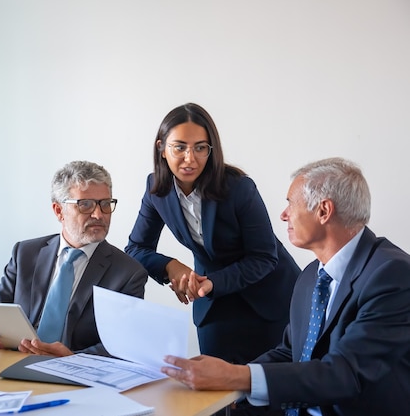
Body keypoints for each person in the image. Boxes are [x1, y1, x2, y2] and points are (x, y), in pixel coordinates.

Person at [161, 157, 410, 415]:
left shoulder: (392, 275)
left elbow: (344, 374)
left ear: (324, 211)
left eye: (291, 203)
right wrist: (227, 384)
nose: (283, 215)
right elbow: (291, 352)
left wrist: (236, 377)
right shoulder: (311, 275)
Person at [125, 103, 300, 364]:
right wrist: (171, 267)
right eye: (180, 147)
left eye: (200, 148)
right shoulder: (156, 190)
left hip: (268, 299)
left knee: (269, 396)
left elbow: (264, 257)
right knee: (216, 394)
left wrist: (212, 282)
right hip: (214, 304)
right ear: (161, 148)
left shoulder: (239, 188)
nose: (190, 158)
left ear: (210, 150)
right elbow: (136, 248)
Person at [0, 160, 148, 357]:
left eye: (105, 204)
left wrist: (72, 359)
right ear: (59, 211)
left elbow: (123, 343)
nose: (98, 214)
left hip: (77, 375)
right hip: (14, 362)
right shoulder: (26, 253)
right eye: (85, 205)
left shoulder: (128, 273)